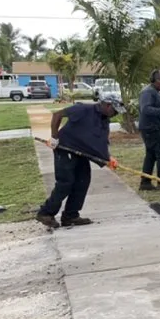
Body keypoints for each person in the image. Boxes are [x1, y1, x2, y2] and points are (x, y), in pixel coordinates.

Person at [36, 94, 125, 228]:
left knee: (82, 181)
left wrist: (108, 158)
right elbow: (57, 115)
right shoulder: (83, 109)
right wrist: (54, 138)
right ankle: (46, 213)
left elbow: (102, 142)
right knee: (66, 183)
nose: (116, 114)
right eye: (115, 110)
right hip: (65, 149)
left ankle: (70, 216)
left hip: (82, 153)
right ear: (107, 105)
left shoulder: (104, 120)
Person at [138, 69, 160, 190]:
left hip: (157, 128)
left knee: (151, 154)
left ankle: (145, 182)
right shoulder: (148, 92)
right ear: (157, 80)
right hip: (150, 129)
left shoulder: (158, 92)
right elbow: (146, 110)